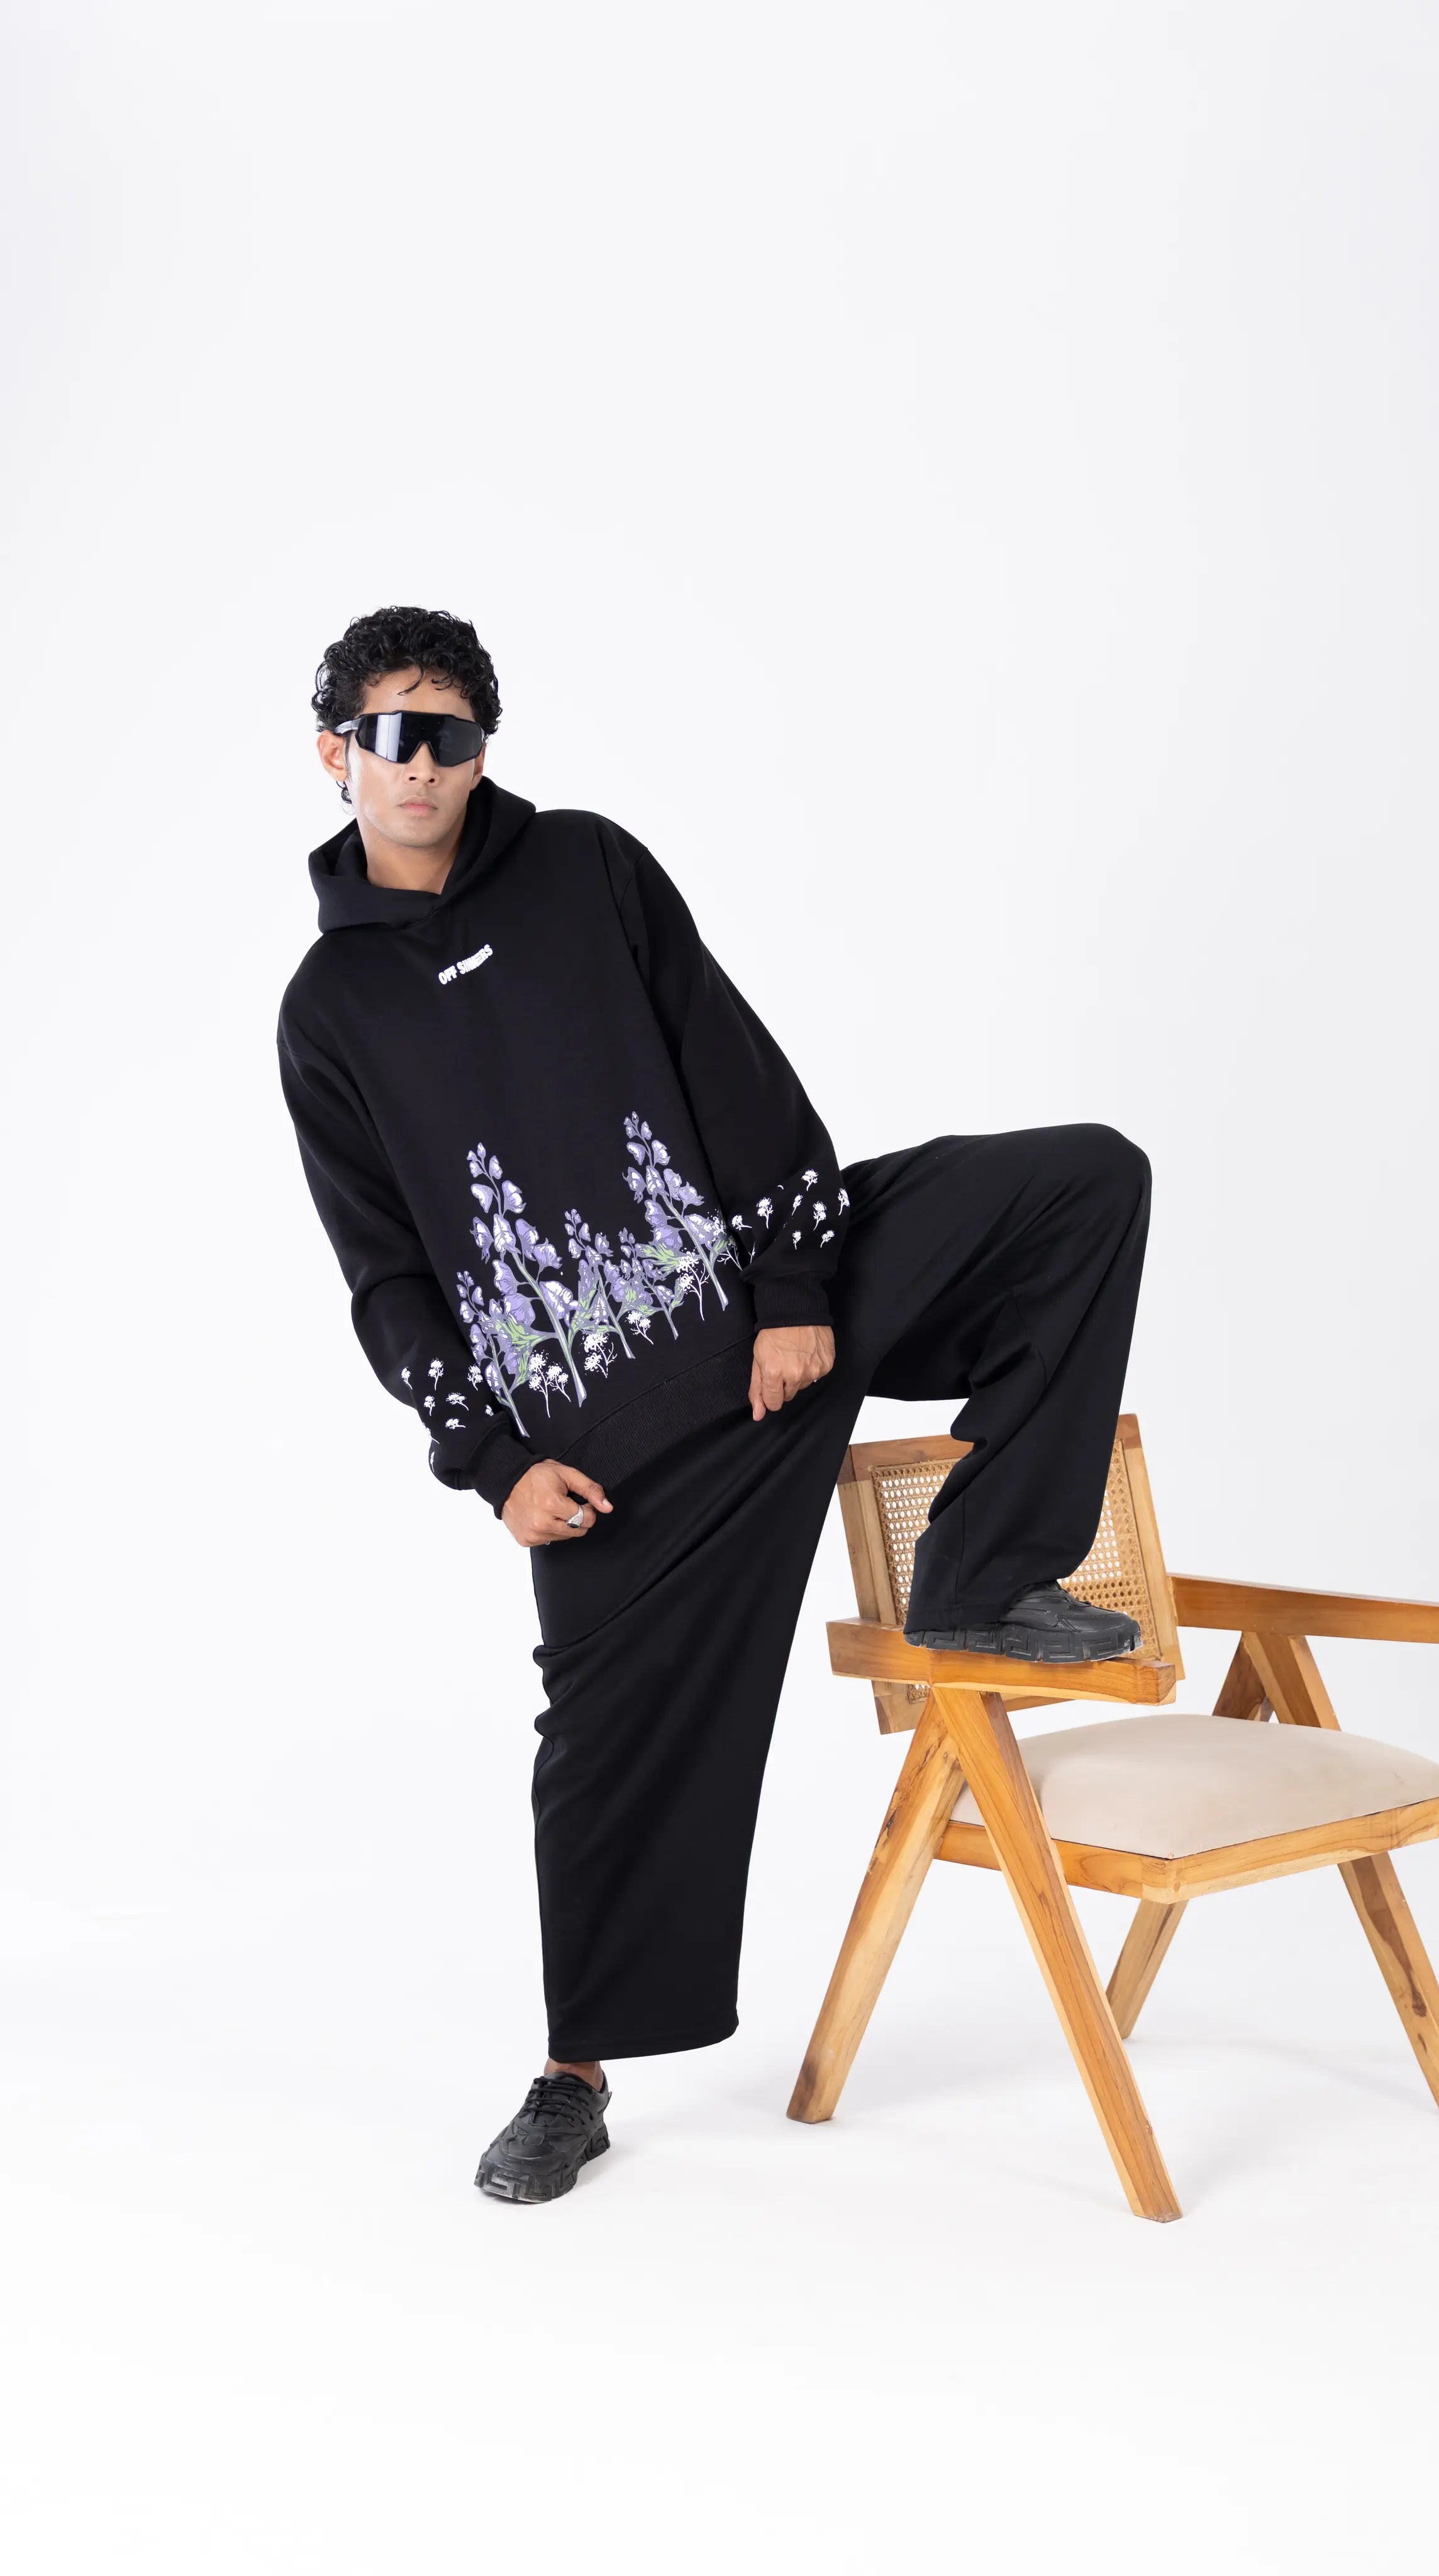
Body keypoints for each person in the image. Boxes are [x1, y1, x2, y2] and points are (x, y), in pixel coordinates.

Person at [277, 604, 1153, 2206]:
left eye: (449, 733)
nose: (420, 764)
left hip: (770, 1321)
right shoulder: (329, 1009)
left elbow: (731, 1069)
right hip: (610, 1452)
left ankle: (980, 1570)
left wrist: (798, 1289)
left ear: (482, 748)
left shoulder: (586, 867)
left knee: (1079, 1183)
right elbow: (386, 1272)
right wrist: (493, 1460)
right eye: (389, 733)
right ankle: (574, 2074)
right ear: (335, 749)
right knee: (597, 1759)